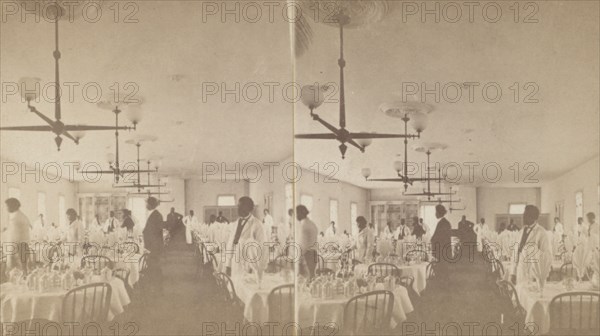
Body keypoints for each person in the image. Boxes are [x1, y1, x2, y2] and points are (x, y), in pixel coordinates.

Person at [225, 197, 267, 277]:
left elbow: (263, 248)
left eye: (241, 206)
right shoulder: (235, 224)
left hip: (250, 267)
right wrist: (228, 265)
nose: (238, 209)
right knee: (234, 287)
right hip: (235, 264)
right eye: (238, 206)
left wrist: (256, 268)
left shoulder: (257, 225)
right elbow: (230, 244)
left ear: (248, 208)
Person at [510, 205, 552, 285]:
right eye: (524, 215)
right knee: (520, 295)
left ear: (533, 218)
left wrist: (539, 275)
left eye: (526, 215)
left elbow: (547, 256)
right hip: (520, 271)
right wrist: (513, 272)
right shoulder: (521, 232)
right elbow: (515, 253)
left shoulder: (542, 233)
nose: (523, 217)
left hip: (534, 275)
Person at [2, 198, 31, 275]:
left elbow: (13, 238)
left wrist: (9, 254)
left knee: (15, 273)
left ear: (12, 206)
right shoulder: (21, 215)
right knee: (23, 271)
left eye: (7, 206)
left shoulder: (15, 218)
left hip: (17, 249)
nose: (6, 208)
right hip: (23, 247)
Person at [296, 205, 318, 278]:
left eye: (297, 213)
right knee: (311, 277)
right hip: (314, 254)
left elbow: (303, 245)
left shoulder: (304, 225)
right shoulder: (312, 224)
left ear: (301, 213)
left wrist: (299, 261)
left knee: (304, 280)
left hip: (307, 255)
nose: (296, 216)